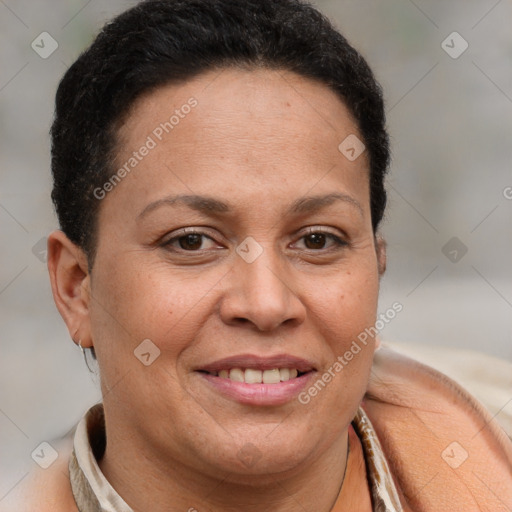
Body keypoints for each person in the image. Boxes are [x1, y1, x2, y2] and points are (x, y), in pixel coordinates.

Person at [10, 0, 512, 510]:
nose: (267, 304)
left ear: (376, 269)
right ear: (76, 287)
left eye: (318, 240)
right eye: (191, 241)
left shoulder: (493, 454)